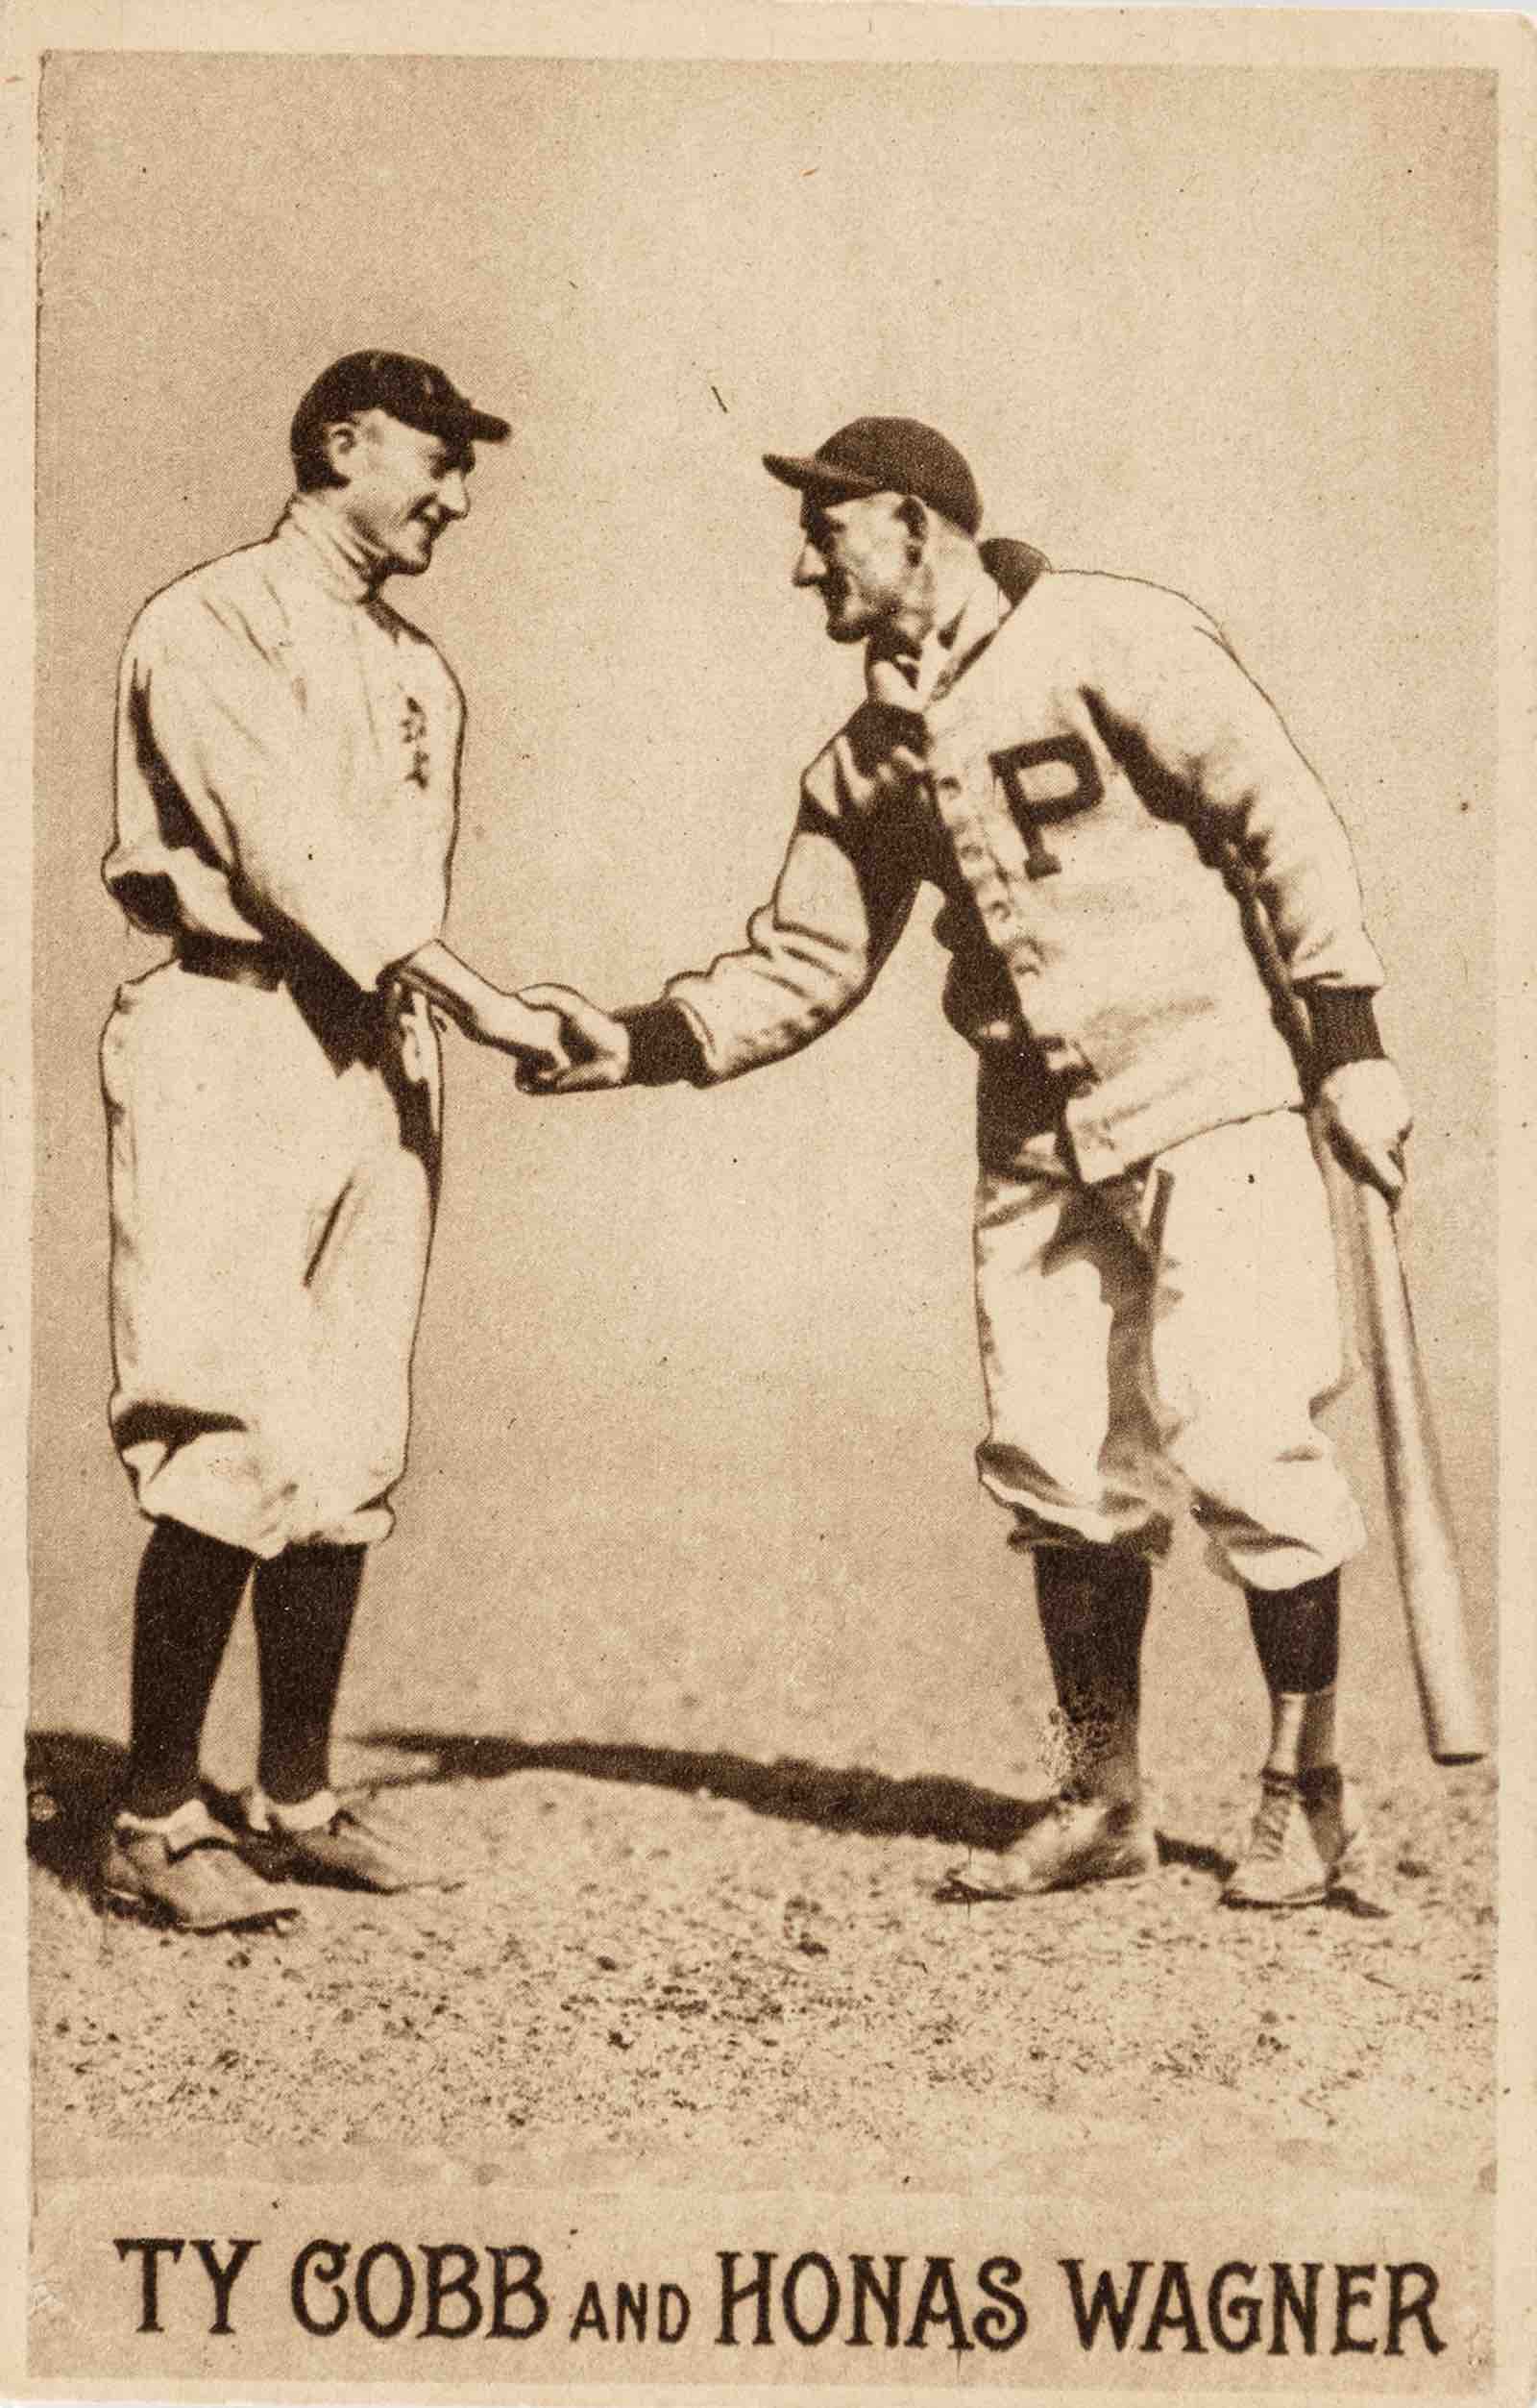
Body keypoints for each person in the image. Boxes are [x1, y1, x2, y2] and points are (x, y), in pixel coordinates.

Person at [514, 416, 1413, 1909]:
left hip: (1209, 1085)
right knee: (1058, 1459)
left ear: (913, 526)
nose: (807, 565)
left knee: (1245, 1432)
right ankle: (1100, 1794)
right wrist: (635, 1039)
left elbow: (1279, 816)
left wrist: (1352, 1037)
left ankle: (1306, 1791)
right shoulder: (868, 759)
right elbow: (805, 958)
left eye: (829, 530)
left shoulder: (1107, 633)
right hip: (1037, 1126)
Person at [99, 350, 559, 1930]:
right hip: (232, 1030)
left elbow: (393, 897)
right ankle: (153, 1816)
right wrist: (492, 1004)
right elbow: (291, 857)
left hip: (376, 1053)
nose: (458, 492)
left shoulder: (423, 667)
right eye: (435, 458)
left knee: (350, 1443)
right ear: (340, 441)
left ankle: (293, 1795)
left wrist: (456, 1010)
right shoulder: (208, 617)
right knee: (226, 1423)